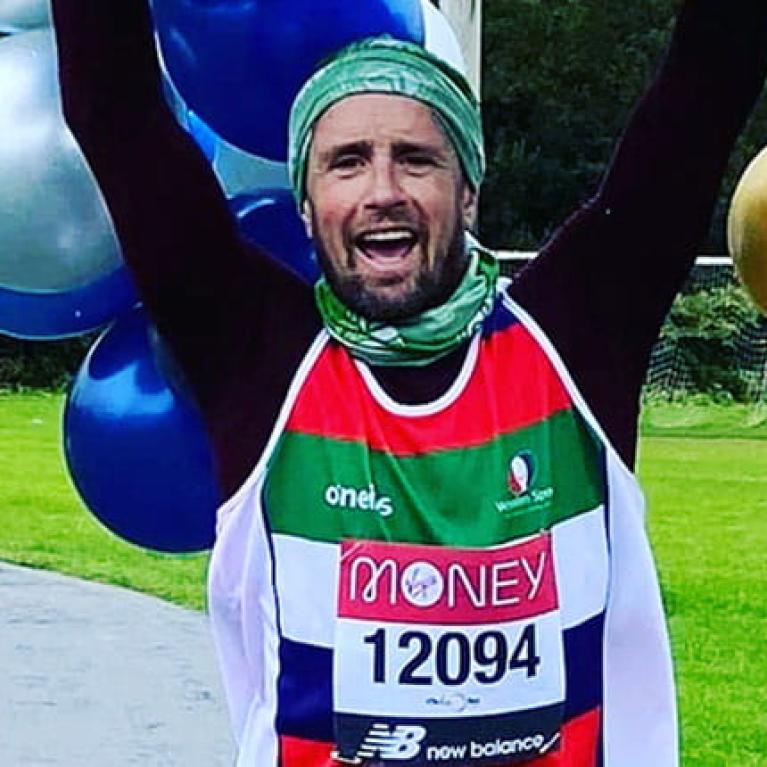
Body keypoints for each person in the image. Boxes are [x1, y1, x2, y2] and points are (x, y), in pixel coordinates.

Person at [52, 1, 767, 765]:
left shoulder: (579, 334)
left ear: (467, 191)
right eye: (346, 160)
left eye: (416, 158)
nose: (381, 189)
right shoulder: (255, 358)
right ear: (305, 200)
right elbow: (116, 110)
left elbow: (706, 80)